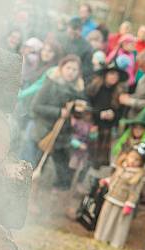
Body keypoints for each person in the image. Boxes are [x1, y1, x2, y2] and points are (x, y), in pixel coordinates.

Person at [30, 55, 84, 190]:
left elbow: (76, 114)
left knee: (64, 172)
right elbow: (36, 106)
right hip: (45, 133)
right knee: (36, 167)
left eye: (74, 69)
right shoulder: (50, 83)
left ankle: (57, 201)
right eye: (68, 68)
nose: (71, 72)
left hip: (63, 136)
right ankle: (30, 199)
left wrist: (78, 110)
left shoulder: (77, 90)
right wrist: (59, 112)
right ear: (61, 68)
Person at [93, 144, 145, 248]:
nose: (133, 161)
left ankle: (115, 242)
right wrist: (106, 181)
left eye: (137, 160)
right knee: (106, 218)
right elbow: (114, 178)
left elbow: (135, 192)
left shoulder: (138, 175)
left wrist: (130, 203)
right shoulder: (121, 167)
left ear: (141, 163)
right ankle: (101, 237)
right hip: (111, 197)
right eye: (131, 157)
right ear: (127, 156)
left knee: (118, 222)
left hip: (122, 203)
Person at [86, 62, 127, 169]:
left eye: (116, 75)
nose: (114, 77)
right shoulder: (94, 88)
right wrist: (99, 113)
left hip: (108, 128)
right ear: (106, 74)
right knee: (87, 156)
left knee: (102, 158)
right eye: (112, 73)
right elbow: (87, 106)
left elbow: (122, 111)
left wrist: (113, 114)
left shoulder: (119, 91)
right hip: (92, 125)